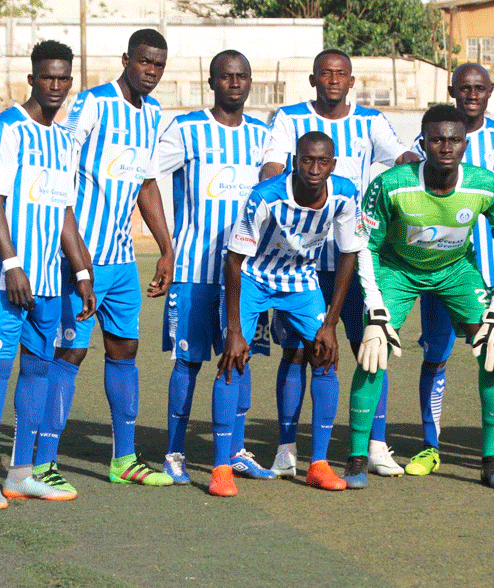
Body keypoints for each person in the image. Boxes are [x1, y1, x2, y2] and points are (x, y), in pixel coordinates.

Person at [343, 104, 494, 490]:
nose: (446, 147)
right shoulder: (391, 183)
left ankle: (491, 458)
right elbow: (365, 245)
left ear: (465, 145)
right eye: (437, 140)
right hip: (398, 270)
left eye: (454, 140)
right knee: (374, 347)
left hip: (456, 271)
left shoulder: (485, 184)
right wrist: (375, 306)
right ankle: (357, 456)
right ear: (423, 144)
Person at [261, 49, 418, 478]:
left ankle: (374, 445)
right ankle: (287, 449)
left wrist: (423, 170)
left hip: (357, 262)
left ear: (351, 81)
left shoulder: (370, 121)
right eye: (326, 73)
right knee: (297, 353)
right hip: (300, 266)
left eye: (341, 73)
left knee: (369, 349)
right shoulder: (290, 118)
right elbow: (271, 167)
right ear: (313, 80)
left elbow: (402, 157)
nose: (333, 79)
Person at [33, 29, 175, 492]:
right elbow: (59, 167)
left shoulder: (153, 113)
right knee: (69, 353)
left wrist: (166, 248)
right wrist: (74, 252)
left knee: (125, 351)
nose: (151, 71)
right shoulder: (93, 103)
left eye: (158, 64)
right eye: (144, 62)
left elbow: (147, 184)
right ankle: (43, 461)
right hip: (79, 258)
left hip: (122, 260)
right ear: (126, 59)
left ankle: (125, 460)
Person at [0, 40, 96, 510]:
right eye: (47, 77)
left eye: (63, 78)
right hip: (9, 279)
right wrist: (11, 265)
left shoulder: (64, 140)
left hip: (48, 282)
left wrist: (81, 270)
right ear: (32, 79)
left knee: (39, 369)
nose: (56, 85)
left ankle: (21, 473)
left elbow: (64, 212)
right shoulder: (6, 127)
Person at [216, 131, 360, 496]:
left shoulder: (345, 194)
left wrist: (330, 323)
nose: (314, 169)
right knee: (233, 359)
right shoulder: (265, 195)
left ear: (333, 165)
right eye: (307, 160)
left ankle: (318, 464)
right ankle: (221, 468)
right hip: (253, 277)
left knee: (325, 355)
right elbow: (233, 260)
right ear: (295, 161)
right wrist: (234, 330)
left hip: (300, 281)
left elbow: (349, 253)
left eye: (322, 161)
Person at [404, 63, 494, 476]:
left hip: (492, 272)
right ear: (453, 91)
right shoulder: (431, 136)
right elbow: (411, 173)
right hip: (443, 267)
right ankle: (429, 445)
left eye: (479, 87)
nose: (472, 94)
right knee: (436, 356)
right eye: (464, 88)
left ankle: (493, 450)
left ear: (490, 91)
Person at [155, 50, 274, 485]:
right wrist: (166, 248)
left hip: (247, 277)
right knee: (188, 362)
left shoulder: (262, 136)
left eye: (242, 76)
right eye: (226, 76)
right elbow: (145, 177)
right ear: (212, 82)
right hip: (194, 270)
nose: (234, 83)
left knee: (240, 360)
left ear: (250, 81)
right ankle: (174, 451)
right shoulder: (186, 129)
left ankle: (235, 450)